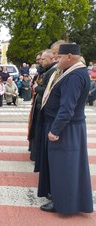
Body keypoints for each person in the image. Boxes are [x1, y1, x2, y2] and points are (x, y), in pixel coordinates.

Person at [38, 43, 93, 214]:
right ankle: (66, 200)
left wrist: (55, 130)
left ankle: (63, 204)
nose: (57, 60)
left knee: (63, 167)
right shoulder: (75, 72)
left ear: (69, 56)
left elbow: (67, 108)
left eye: (59, 57)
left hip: (66, 128)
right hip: (69, 127)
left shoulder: (74, 76)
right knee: (67, 166)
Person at [29, 49, 57, 162]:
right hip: (39, 103)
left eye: (42, 59)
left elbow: (46, 90)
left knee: (40, 132)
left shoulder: (51, 71)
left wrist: (36, 87)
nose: (40, 62)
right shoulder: (46, 70)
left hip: (44, 106)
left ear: (52, 58)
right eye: (38, 60)